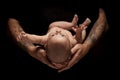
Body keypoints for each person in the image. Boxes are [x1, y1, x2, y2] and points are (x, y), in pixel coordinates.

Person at [8, 8, 108, 72]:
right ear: (70, 47)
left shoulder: (45, 39)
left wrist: (26, 36)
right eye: (63, 36)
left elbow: (34, 38)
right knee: (80, 38)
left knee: (53, 26)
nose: (58, 32)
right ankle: (78, 26)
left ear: (45, 45)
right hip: (76, 37)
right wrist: (78, 32)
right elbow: (78, 40)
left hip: (55, 24)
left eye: (53, 36)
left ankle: (72, 25)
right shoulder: (72, 42)